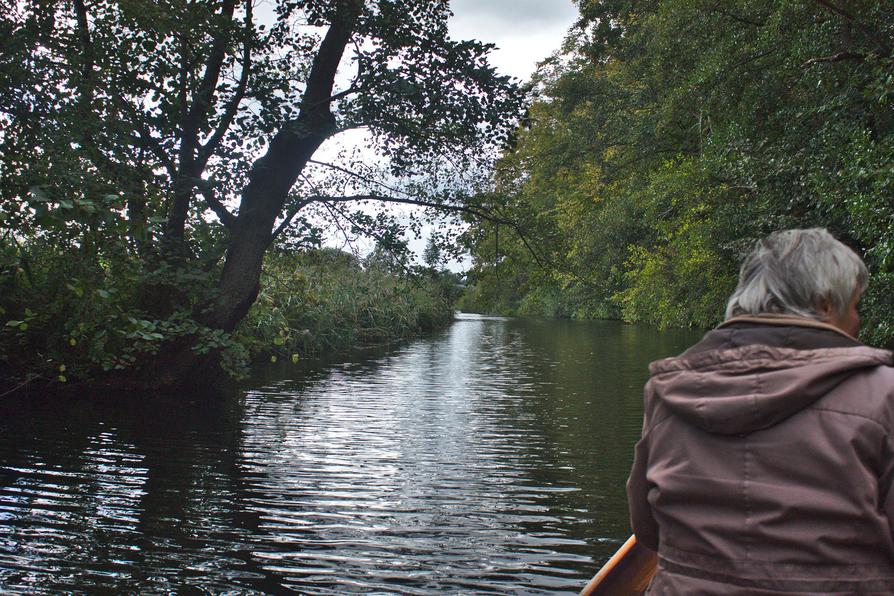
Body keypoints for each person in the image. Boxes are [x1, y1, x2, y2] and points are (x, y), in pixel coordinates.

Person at [626, 228, 894, 594]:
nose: (858, 320)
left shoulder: (668, 390)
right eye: (855, 305)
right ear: (827, 304)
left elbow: (647, 530)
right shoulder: (883, 393)